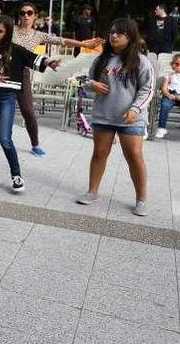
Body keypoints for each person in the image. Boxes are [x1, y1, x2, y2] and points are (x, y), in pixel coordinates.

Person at [0, 2, 102, 155]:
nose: (25, 15)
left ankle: (35, 144)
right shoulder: (11, 30)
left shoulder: (38, 35)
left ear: (35, 16)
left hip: (22, 73)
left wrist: (84, 44)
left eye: (29, 12)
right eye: (22, 12)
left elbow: (62, 41)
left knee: (27, 110)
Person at [0, 15, 60, 193]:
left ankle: (16, 175)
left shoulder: (15, 50)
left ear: (7, 33)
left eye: (0, 31)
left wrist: (50, 62)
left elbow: (36, 58)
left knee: (5, 139)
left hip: (6, 97)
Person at [76, 18, 154, 216]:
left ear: (130, 37)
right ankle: (92, 191)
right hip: (104, 116)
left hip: (131, 118)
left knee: (134, 157)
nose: (113, 36)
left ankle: (141, 199)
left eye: (119, 33)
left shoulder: (141, 61)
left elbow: (148, 89)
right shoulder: (101, 60)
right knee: (99, 154)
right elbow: (88, 80)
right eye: (111, 32)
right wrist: (91, 84)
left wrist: (136, 109)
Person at [155, 54, 180, 139]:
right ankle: (161, 127)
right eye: (172, 63)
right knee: (165, 105)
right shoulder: (169, 75)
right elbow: (164, 88)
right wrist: (168, 94)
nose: (174, 65)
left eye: (177, 64)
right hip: (171, 94)